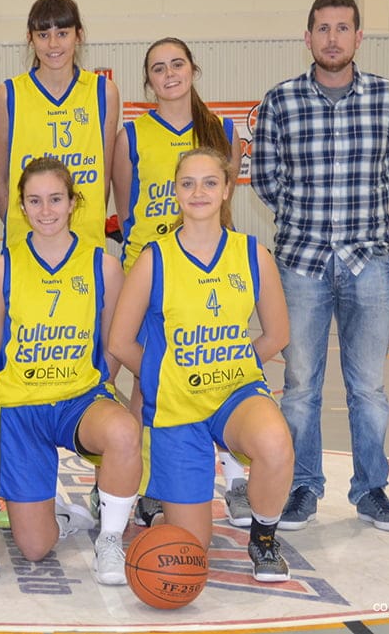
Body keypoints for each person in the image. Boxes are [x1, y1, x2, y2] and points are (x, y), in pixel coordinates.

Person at [250, 0, 389, 533]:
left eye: (343, 28)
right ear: (308, 37)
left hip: (369, 262)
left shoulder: (388, 98)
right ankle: (302, 486)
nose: (333, 38)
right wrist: (310, 222)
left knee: (368, 388)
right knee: (299, 387)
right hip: (302, 263)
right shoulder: (281, 101)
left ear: (359, 37)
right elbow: (266, 181)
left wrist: (360, 223)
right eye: (323, 28)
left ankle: (371, 490)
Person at [108, 147, 294, 582]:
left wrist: (235, 365)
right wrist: (165, 377)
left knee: (275, 443)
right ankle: (156, 501)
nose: (199, 192)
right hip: (178, 408)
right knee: (189, 554)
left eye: (210, 182)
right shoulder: (155, 258)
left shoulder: (253, 254)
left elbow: (277, 334)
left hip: (236, 394)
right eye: (187, 183)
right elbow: (119, 340)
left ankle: (264, 537)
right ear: (175, 192)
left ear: (227, 189)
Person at [0, 156, 140, 586]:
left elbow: (112, 345)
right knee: (33, 548)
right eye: (35, 201)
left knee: (124, 431)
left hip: (80, 400)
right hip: (22, 409)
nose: (45, 210)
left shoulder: (102, 266)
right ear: (21, 206)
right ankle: (66, 516)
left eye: (55, 199)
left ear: (73, 203)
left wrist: (85, 380)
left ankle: (109, 538)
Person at [109, 38, 249, 528]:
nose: (169, 74)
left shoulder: (222, 130)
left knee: (220, 371)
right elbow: (127, 209)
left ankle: (236, 480)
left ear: (193, 69)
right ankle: (147, 483)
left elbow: (224, 205)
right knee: (148, 381)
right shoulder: (131, 135)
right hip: (153, 269)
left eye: (177, 64)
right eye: (158, 68)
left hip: (208, 267)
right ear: (148, 81)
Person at [0, 0, 119, 249]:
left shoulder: (104, 92)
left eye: (62, 33)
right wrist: (25, 223)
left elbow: (103, 176)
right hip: (26, 241)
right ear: (30, 38)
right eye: (43, 35)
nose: (53, 44)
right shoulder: (9, 95)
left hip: (85, 241)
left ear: (78, 35)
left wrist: (88, 221)